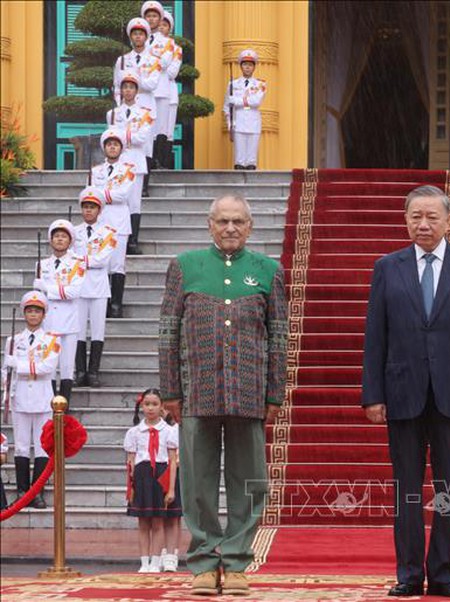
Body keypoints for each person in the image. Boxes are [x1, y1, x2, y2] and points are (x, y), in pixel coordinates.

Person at [361, 185, 450, 598]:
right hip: (402, 391)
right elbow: (375, 336)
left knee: (448, 488)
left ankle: (443, 572)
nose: (423, 224)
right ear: (405, 220)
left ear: (447, 219)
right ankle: (407, 573)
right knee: (405, 487)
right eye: (415, 216)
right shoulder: (388, 267)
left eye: (431, 217)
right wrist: (373, 394)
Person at [159, 194, 288, 596]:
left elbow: (280, 338)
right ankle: (202, 561)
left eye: (238, 221)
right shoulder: (185, 267)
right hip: (197, 391)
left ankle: (235, 561)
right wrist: (170, 390)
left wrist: (274, 392)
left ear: (250, 226)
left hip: (249, 393)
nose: (230, 228)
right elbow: (168, 333)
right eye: (223, 221)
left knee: (249, 481)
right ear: (209, 224)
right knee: (197, 481)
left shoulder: (268, 271)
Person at [2, 292, 61, 509]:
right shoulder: (13, 340)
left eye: (37, 311)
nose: (33, 315)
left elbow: (47, 369)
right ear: (24, 314)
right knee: (21, 447)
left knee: (42, 447)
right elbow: (4, 372)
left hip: (42, 397)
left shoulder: (52, 340)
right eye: (29, 311)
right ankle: (22, 491)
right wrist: (6, 392)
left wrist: (18, 365)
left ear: (43, 314)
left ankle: (37, 493)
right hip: (20, 398)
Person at [125, 387, 180, 573]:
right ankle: (144, 562)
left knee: (158, 521)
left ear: (162, 407)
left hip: (161, 475)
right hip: (142, 477)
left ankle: (156, 561)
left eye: (154, 404)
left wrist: (171, 488)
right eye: (147, 404)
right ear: (141, 406)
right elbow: (131, 463)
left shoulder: (169, 431)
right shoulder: (134, 432)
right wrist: (130, 487)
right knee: (143, 522)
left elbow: (173, 460)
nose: (150, 408)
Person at [33, 220, 85, 403]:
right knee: (48, 365)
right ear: (50, 240)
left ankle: (64, 406)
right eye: (56, 236)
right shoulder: (42, 264)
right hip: (48, 322)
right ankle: (49, 403)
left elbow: (73, 292)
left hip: (68, 321)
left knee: (66, 367)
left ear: (70, 241)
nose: (60, 239)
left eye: (64, 236)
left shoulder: (77, 264)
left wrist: (47, 288)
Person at [73, 187, 117, 388]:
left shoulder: (108, 233)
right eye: (85, 207)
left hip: (99, 287)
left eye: (92, 207)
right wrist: (85, 261)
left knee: (98, 331)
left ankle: (93, 372)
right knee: (79, 330)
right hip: (79, 287)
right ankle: (80, 371)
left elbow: (102, 260)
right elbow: (69, 258)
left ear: (99, 210)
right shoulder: (73, 232)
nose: (88, 211)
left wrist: (81, 260)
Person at [92, 128, 137, 318]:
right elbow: (91, 195)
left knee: (117, 264)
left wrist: (102, 195)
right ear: (104, 148)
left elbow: (123, 194)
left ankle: (117, 303)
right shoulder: (95, 171)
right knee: (102, 263)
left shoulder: (128, 170)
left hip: (119, 221)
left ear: (121, 148)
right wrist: (104, 196)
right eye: (109, 144)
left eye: (116, 144)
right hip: (100, 221)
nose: (112, 147)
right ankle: (105, 301)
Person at [113, 17, 159, 197]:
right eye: (135, 34)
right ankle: (126, 181)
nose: (138, 37)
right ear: (130, 38)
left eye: (141, 34)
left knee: (145, 146)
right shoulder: (122, 61)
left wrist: (133, 77)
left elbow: (152, 84)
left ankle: (144, 186)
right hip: (125, 109)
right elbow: (117, 86)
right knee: (125, 145)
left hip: (146, 107)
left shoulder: (153, 60)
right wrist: (120, 105)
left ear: (146, 37)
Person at [109, 71, 154, 256]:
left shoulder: (145, 114)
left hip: (136, 162)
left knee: (134, 204)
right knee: (120, 202)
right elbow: (110, 138)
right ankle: (118, 239)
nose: (127, 91)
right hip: (119, 163)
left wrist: (122, 135)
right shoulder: (112, 114)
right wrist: (128, 136)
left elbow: (142, 138)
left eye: (131, 87)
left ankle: (133, 241)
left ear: (137, 91)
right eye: (124, 87)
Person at [141, 1, 173, 169]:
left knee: (160, 127)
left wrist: (149, 59)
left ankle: (156, 160)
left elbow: (166, 63)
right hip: (144, 90)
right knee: (146, 126)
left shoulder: (168, 43)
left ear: (160, 18)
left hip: (161, 88)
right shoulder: (139, 38)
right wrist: (155, 59)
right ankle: (147, 160)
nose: (151, 19)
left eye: (154, 16)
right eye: (148, 16)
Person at [223, 49, 266, 170]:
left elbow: (256, 101)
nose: (247, 67)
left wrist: (237, 101)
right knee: (239, 161)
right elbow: (227, 106)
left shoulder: (260, 84)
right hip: (238, 121)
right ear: (241, 66)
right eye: (245, 64)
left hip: (253, 121)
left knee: (251, 161)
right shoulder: (233, 84)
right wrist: (229, 123)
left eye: (250, 65)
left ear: (254, 67)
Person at [158, 10, 182, 169]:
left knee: (167, 130)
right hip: (153, 92)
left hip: (169, 92)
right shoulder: (147, 44)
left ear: (170, 28)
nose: (161, 28)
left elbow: (172, 72)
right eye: (159, 24)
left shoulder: (176, 48)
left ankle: (164, 161)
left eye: (164, 25)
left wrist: (155, 65)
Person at [160, 406, 182, 572]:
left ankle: (172, 552)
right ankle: (161, 550)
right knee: (159, 515)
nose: (163, 411)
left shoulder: (177, 428)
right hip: (159, 470)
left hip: (177, 469)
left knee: (174, 515)